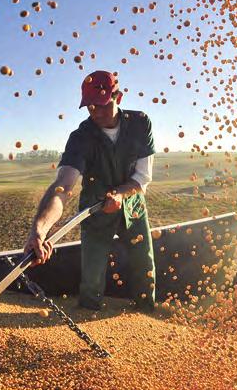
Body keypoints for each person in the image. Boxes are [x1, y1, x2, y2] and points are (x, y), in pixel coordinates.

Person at [24, 70, 156, 311]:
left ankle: (146, 311)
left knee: (144, 264)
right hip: (95, 211)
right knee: (92, 272)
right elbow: (62, 187)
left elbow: (142, 176)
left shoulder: (139, 123)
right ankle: (89, 312)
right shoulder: (81, 137)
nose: (95, 112)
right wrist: (39, 229)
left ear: (119, 97)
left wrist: (119, 194)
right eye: (90, 106)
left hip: (133, 206)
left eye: (102, 105)